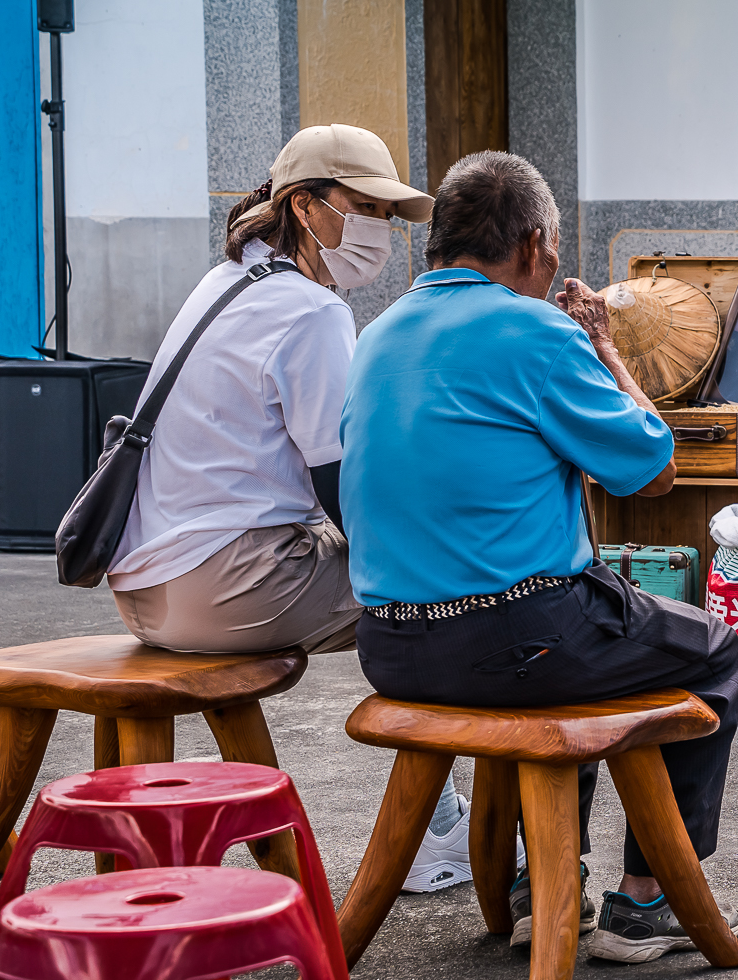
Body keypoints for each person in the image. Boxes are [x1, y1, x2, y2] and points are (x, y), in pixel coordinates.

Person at [340, 151, 738, 965]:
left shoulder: (378, 335)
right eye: (553, 248)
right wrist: (603, 346)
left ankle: (541, 887)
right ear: (532, 245)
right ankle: (647, 902)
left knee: (589, 635)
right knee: (712, 650)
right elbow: (653, 467)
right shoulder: (536, 328)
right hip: (517, 642)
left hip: (390, 647)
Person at [107, 122, 472, 894]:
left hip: (148, 587)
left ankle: (442, 824)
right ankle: (441, 834)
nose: (381, 231)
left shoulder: (227, 281)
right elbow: (348, 486)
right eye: (365, 207)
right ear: (305, 207)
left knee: (423, 581)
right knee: (457, 597)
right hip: (224, 584)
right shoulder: (310, 311)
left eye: (389, 215)